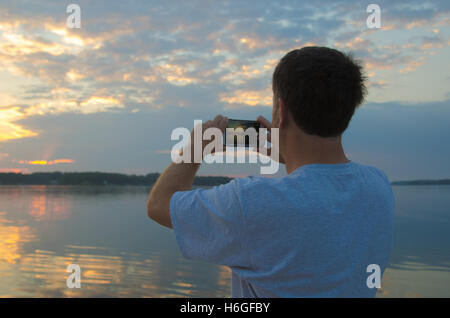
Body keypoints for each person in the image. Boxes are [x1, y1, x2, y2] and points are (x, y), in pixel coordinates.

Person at [147, 46, 395, 297]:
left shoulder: (251, 202)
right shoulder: (378, 186)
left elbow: (159, 205)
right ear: (348, 111)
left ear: (282, 110)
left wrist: (194, 149)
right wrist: (289, 156)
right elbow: (318, 189)